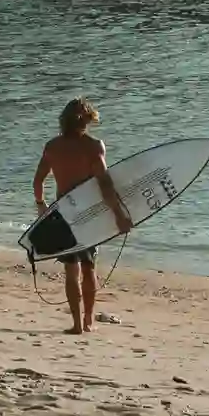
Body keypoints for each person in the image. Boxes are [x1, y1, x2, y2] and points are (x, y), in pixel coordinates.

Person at [33, 98, 133, 335]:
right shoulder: (94, 147)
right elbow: (105, 185)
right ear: (88, 119)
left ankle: (77, 324)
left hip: (64, 213)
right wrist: (119, 215)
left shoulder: (52, 147)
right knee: (89, 267)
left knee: (71, 270)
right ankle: (88, 322)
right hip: (89, 214)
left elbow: (38, 181)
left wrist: (40, 204)